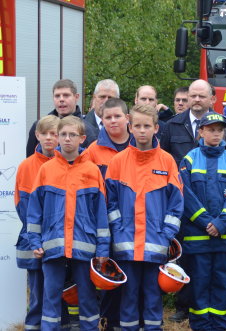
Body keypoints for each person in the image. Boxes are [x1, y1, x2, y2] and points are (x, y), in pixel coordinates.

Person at [27, 115, 110, 330]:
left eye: (72, 135)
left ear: (82, 138)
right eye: (62, 134)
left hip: (85, 247)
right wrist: (35, 241)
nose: (67, 139)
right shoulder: (46, 170)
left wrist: (102, 249)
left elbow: (101, 214)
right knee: (51, 297)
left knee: (88, 299)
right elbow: (34, 211)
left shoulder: (92, 171)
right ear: (57, 137)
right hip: (52, 247)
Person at [106, 104, 183, 330]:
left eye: (146, 126)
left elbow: (176, 202)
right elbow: (109, 201)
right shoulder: (118, 161)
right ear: (130, 128)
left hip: (155, 245)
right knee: (128, 297)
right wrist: (118, 228)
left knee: (152, 295)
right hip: (126, 245)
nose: (142, 130)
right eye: (137, 126)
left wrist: (166, 234)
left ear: (156, 128)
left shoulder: (167, 161)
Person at [179, 112, 226, 331]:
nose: (215, 133)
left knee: (219, 284)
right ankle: (200, 325)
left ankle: (219, 326)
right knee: (199, 285)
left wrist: (221, 223)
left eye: (219, 129)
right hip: (197, 238)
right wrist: (207, 222)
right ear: (201, 131)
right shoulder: (189, 159)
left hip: (223, 237)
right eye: (211, 129)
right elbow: (186, 195)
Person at [81, 97, 130, 330]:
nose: (112, 121)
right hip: (103, 224)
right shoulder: (93, 150)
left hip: (133, 223)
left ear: (126, 118)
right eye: (107, 117)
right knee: (108, 273)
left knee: (132, 274)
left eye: (117, 116)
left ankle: (128, 320)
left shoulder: (139, 145)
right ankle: (109, 321)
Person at [15, 115, 60, 330]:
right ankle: (33, 325)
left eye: (54, 134)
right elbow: (23, 206)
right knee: (36, 293)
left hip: (58, 239)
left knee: (56, 292)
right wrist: (37, 237)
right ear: (37, 136)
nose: (49, 138)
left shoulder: (64, 163)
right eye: (45, 134)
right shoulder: (27, 166)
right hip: (35, 239)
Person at [161, 79, 226, 165]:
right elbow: (163, 159)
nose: (197, 99)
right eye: (193, 96)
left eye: (201, 96)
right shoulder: (172, 125)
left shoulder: (225, 125)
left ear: (213, 99)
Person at [26, 79, 98, 157]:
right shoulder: (39, 126)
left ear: (76, 97)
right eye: (57, 96)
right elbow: (30, 159)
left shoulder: (88, 130)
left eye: (66, 95)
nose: (61, 99)